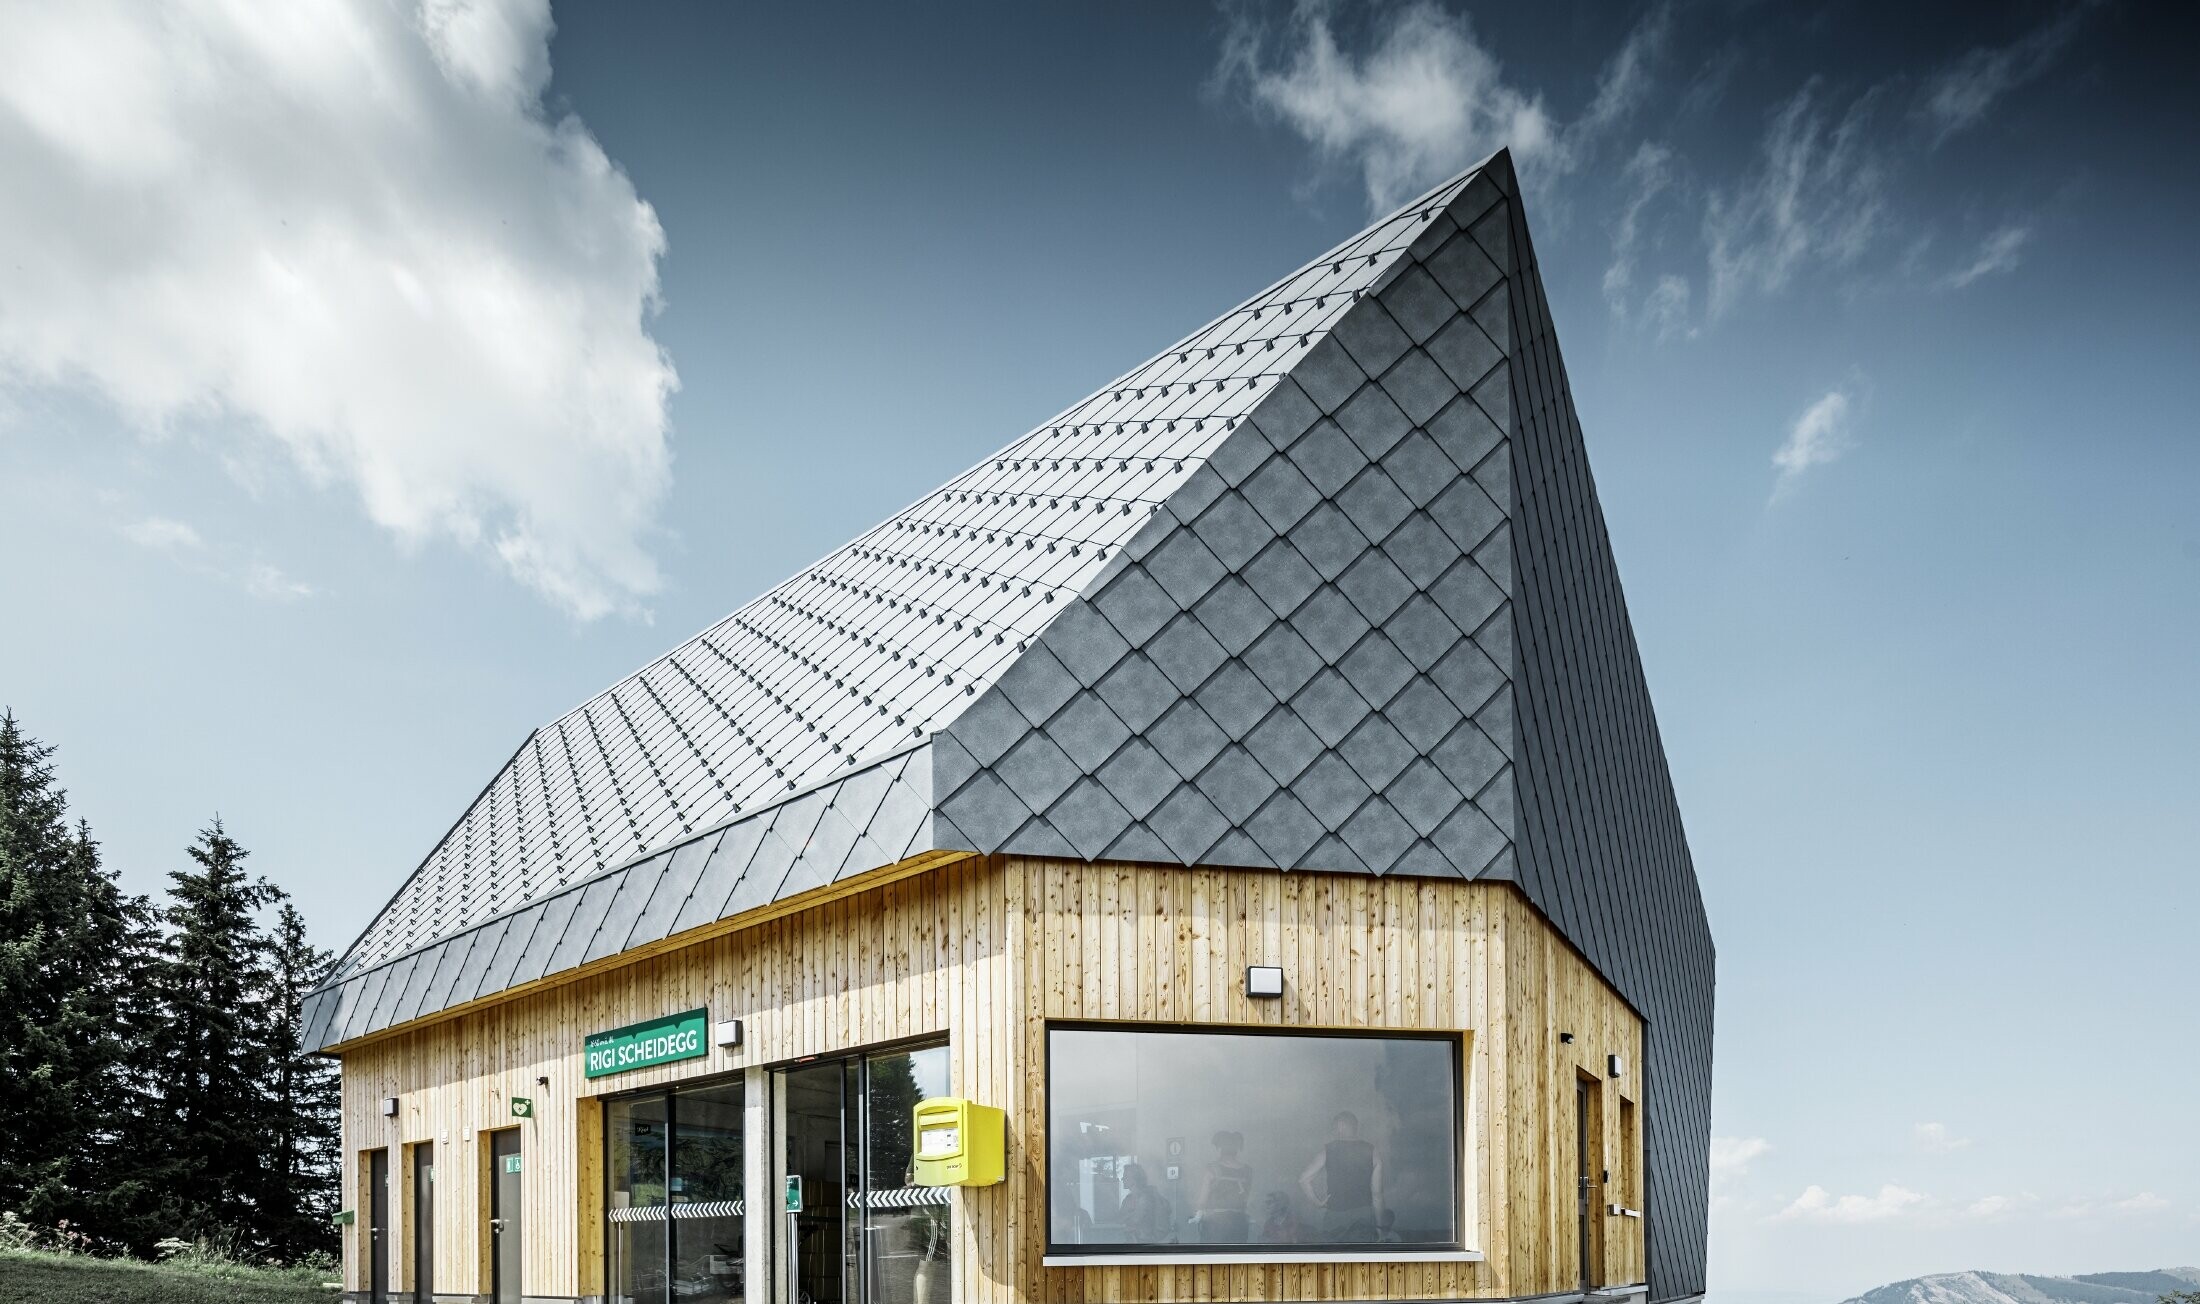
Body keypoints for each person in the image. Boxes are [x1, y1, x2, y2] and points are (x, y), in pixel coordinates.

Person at [1298, 1111, 1382, 1243]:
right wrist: (1380, 1227)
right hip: (1363, 1215)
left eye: (1334, 1126)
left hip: (1335, 1217)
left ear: (1341, 1125)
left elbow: (1303, 1179)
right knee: (1362, 1260)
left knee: (1334, 1259)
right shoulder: (1372, 1151)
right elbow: (1377, 1193)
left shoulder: (1328, 1150)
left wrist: (1317, 1202)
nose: (1333, 1130)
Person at [1194, 1131, 1252, 1244]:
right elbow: (1247, 1199)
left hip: (1215, 1225)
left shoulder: (1212, 1169)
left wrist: (1198, 1213)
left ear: (1220, 1148)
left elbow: (1202, 1200)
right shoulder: (1247, 1171)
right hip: (1239, 1222)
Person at [1117, 1162, 1171, 1243]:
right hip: (1133, 1241)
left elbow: (1135, 1220)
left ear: (1134, 1180)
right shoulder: (1128, 1199)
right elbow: (1119, 1219)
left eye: (1125, 1177)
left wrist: (1128, 1220)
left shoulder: (1146, 1198)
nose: (1122, 1179)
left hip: (1144, 1243)